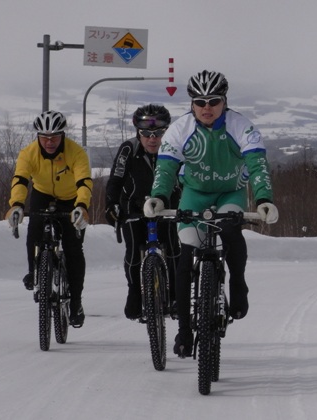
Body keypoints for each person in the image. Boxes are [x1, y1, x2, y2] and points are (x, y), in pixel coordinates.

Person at [143, 70, 279, 357]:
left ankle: (238, 283)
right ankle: (183, 330)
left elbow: (257, 164)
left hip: (230, 191)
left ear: (224, 101)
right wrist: (158, 197)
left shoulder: (240, 125)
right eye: (200, 101)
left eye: (213, 101)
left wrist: (264, 198)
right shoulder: (180, 128)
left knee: (230, 231)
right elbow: (166, 168)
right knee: (186, 253)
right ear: (192, 103)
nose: (207, 107)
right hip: (194, 193)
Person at [6, 110, 93, 328]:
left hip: (70, 197)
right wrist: (16, 205)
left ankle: (76, 302)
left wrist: (81, 207)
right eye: (44, 137)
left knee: (74, 250)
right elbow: (20, 180)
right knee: (34, 231)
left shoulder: (76, 152)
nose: (50, 141)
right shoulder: (29, 153)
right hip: (42, 194)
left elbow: (84, 182)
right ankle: (34, 273)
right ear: (38, 136)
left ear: (63, 135)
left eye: (54, 136)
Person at [105, 104, 181, 320]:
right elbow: (116, 180)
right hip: (134, 207)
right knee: (132, 252)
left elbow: (186, 180)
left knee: (174, 247)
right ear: (138, 132)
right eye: (146, 134)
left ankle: (175, 295)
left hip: (167, 207)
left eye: (158, 133)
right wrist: (111, 205)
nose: (152, 139)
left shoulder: (174, 150)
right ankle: (134, 293)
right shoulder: (128, 149)